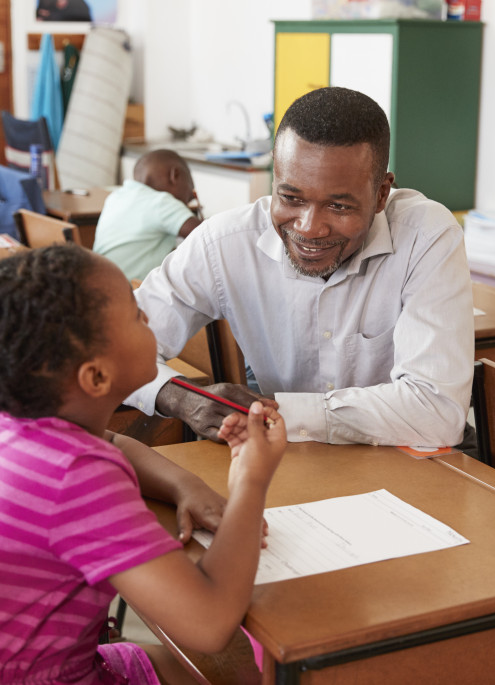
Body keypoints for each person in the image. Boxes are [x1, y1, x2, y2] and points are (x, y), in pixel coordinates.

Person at [128, 87, 474, 449]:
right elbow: (110, 347)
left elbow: (436, 414)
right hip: (287, 466)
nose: (309, 228)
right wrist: (178, 396)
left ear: (381, 195)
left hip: (407, 466)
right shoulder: (225, 244)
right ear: (274, 179)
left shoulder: (425, 235)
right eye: (290, 198)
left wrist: (277, 415)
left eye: (338, 206)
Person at [0, 244, 285, 684]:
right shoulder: (74, 476)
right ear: (96, 377)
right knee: (240, 670)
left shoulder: (26, 425)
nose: (148, 319)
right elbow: (209, 624)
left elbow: (113, 441)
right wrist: (251, 479)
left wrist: (182, 484)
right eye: (135, 314)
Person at [93, 149, 203, 282]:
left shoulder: (117, 196)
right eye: (190, 195)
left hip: (100, 283)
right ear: (175, 176)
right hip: (129, 292)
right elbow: (207, 235)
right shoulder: (162, 202)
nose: (187, 203)